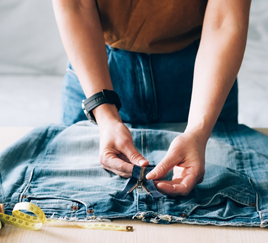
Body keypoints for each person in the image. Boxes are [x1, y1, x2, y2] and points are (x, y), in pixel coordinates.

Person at [52, 0, 251, 196]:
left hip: (205, 76)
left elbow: (224, 18)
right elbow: (75, 5)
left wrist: (198, 132)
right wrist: (105, 116)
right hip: (95, 69)